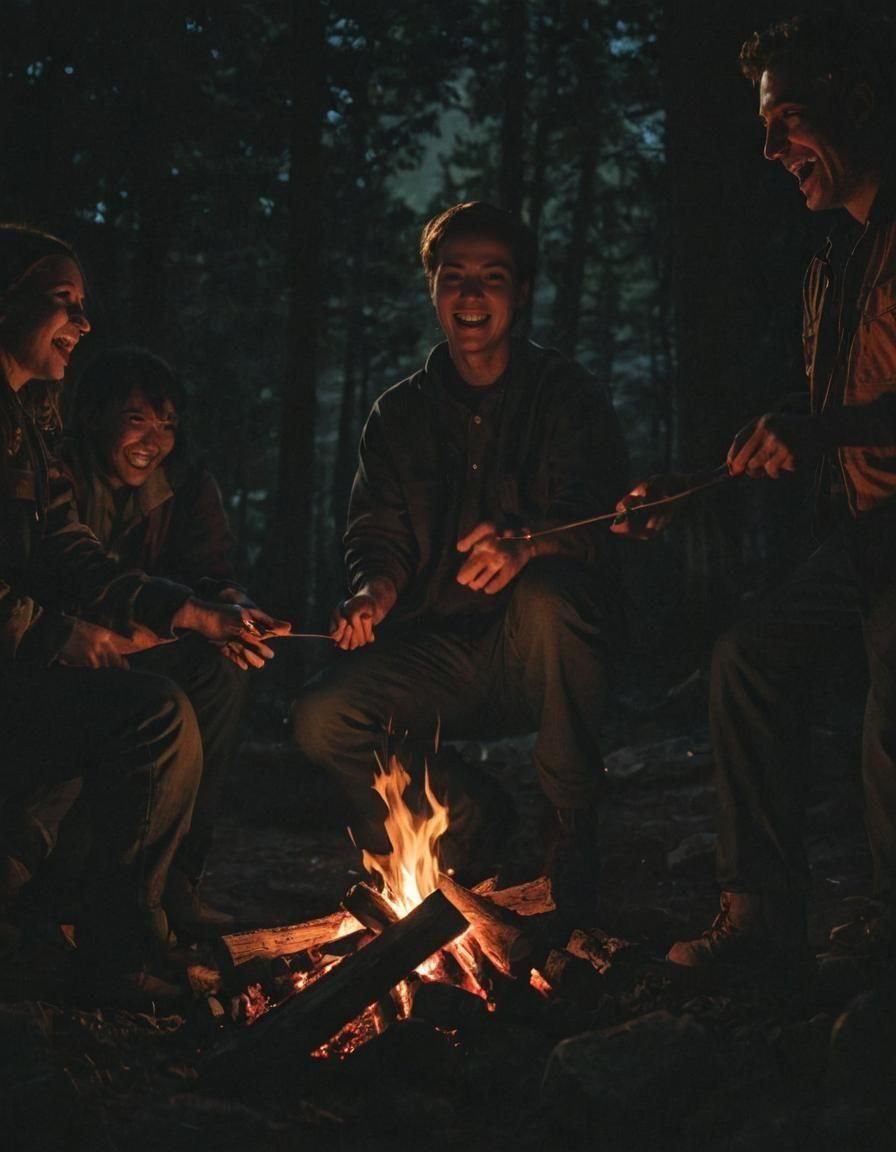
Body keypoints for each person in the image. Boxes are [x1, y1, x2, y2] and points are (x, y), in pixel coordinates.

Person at [615, 11, 896, 971]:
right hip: (864, 534)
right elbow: (822, 411)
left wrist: (815, 431)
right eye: (765, 128)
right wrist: (693, 484)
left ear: (859, 103)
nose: (773, 150)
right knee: (747, 659)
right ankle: (760, 915)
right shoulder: (834, 259)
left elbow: (838, 421)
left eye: (790, 121)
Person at [292, 202, 628, 916]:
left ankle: (569, 828)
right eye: (454, 276)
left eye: (492, 276)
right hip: (436, 658)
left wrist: (529, 544)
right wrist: (373, 593)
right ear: (432, 287)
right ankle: (470, 812)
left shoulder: (566, 396)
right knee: (323, 716)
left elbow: (604, 521)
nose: (471, 294)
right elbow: (376, 536)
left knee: (549, 598)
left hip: (538, 652)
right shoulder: (398, 415)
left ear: (522, 290)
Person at [0, 224, 282, 1000]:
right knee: (153, 715)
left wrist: (195, 613)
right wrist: (57, 634)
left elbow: (70, 551)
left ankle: (151, 907)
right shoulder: (42, 436)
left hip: (35, 657)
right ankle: (120, 952)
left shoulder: (26, 425)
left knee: (195, 683)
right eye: (64, 301)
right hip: (21, 666)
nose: (82, 321)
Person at [45, 347, 261, 938]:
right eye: (136, 419)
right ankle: (77, 893)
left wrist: (231, 603)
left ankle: (179, 880)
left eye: (166, 424)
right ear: (94, 416)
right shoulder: (56, 472)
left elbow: (208, 568)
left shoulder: (184, 481)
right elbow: (73, 575)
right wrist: (189, 613)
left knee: (222, 670)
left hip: (150, 642)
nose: (154, 440)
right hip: (64, 648)